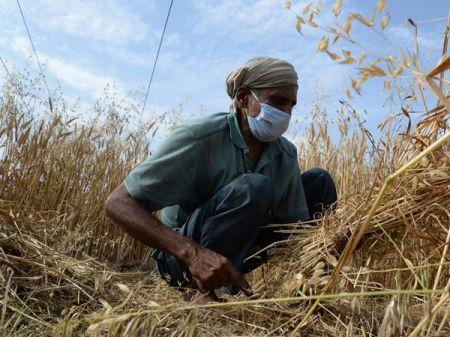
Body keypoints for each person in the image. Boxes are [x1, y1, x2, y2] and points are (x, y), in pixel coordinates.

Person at [104, 57, 338, 302]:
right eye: (278, 101)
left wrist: (332, 237)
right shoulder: (201, 137)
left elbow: (295, 230)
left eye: (292, 105)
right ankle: (198, 290)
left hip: (242, 249)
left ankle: (311, 298)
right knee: (253, 187)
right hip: (181, 259)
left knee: (320, 181)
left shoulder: (285, 153)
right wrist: (193, 254)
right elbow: (117, 203)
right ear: (244, 97)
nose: (286, 113)